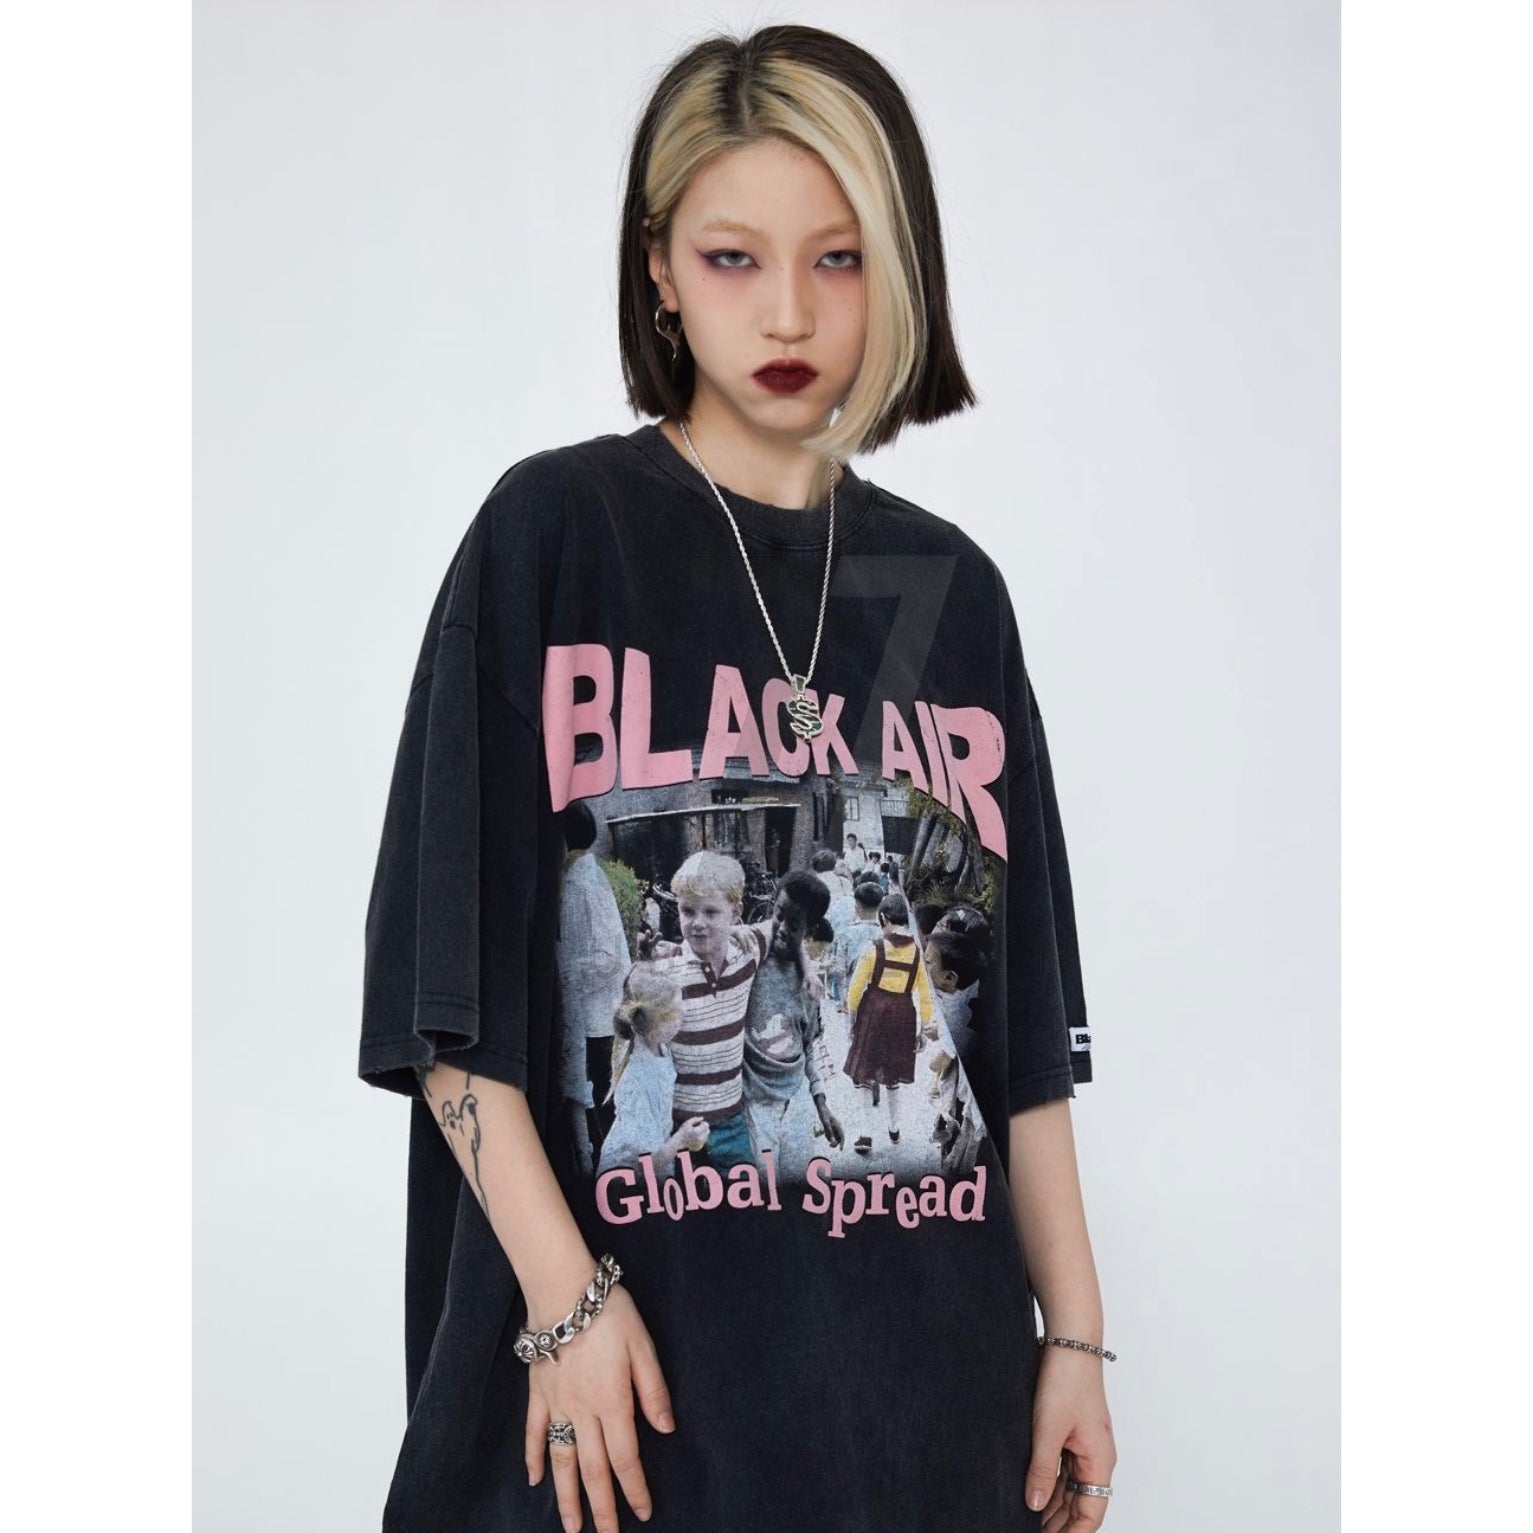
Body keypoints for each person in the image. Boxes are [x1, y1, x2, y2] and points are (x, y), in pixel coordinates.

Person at [358, 22, 1111, 1533]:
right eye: (730, 257)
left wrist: (1077, 1339)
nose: (786, 312)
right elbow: (444, 1005)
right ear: (657, 267)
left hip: (922, 1417)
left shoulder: (945, 592)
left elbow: (1021, 1040)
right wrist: (564, 1304)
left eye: (837, 259)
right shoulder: (556, 535)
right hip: (623, 1412)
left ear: (899, 271)